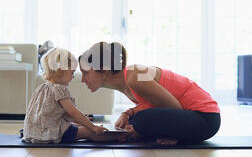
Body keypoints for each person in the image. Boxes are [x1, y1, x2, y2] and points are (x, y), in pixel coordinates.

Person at [79, 42, 221, 145]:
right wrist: (128, 113)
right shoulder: (127, 81)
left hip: (205, 119)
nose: (83, 80)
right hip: (190, 117)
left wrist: (171, 133)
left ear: (103, 70)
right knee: (133, 122)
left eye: (86, 73)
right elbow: (156, 104)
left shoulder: (135, 76)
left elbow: (175, 107)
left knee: (141, 121)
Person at [22, 47, 114, 144]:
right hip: (50, 134)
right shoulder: (59, 89)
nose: (73, 76)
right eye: (72, 72)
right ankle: (119, 137)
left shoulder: (41, 88)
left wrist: (82, 121)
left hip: (33, 133)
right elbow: (73, 113)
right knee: (89, 131)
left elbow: (51, 115)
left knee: (80, 126)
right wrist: (93, 127)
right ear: (61, 70)